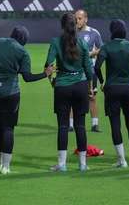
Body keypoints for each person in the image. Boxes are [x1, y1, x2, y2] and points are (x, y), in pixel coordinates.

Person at [0, 26, 52, 174]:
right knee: (8, 128)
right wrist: (45, 73)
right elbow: (27, 77)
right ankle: (6, 166)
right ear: (24, 40)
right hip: (10, 94)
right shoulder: (22, 51)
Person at [94, 19, 129, 168]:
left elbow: (97, 67)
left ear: (112, 31)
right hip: (128, 89)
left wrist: (102, 81)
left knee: (115, 125)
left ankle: (122, 160)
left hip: (112, 89)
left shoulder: (106, 47)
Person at [45, 11, 94, 172]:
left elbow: (48, 67)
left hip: (62, 86)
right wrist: (90, 89)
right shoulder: (82, 43)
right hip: (80, 87)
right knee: (80, 126)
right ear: (75, 25)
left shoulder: (55, 42)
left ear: (62, 25)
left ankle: (62, 164)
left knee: (63, 126)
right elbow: (89, 71)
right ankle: (82, 164)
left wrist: (52, 81)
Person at [75, 9, 104, 132]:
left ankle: (95, 124)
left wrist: (92, 53)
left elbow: (102, 48)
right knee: (73, 98)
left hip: (90, 70)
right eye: (76, 18)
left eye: (79, 18)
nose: (77, 21)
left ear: (86, 19)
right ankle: (71, 125)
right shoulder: (71, 32)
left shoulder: (94, 33)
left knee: (91, 97)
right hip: (75, 70)